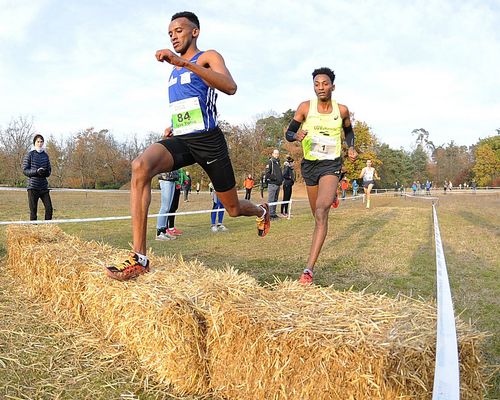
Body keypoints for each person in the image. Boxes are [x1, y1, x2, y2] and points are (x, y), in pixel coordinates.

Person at [106, 11, 270, 281]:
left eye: (179, 30)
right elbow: (187, 103)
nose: (173, 36)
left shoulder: (207, 57)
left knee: (232, 209)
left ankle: (261, 210)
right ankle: (140, 257)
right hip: (182, 139)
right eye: (170, 33)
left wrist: (186, 63)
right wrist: (173, 124)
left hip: (209, 141)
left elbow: (230, 87)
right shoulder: (174, 70)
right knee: (140, 166)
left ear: (195, 32)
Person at [285, 67, 357, 285]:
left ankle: (308, 269)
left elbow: (349, 132)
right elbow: (289, 133)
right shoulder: (305, 108)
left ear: (332, 86)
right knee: (316, 216)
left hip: (331, 164)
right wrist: (296, 135)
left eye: (324, 84)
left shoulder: (341, 110)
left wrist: (351, 148)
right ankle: (329, 197)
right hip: (310, 166)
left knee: (321, 210)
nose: (320, 88)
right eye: (317, 84)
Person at [22, 134, 53, 221]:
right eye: (38, 142)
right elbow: (25, 170)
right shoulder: (30, 155)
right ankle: (34, 230)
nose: (40, 143)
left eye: (41, 141)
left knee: (49, 209)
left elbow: (49, 171)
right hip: (33, 187)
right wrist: (36, 171)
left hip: (43, 187)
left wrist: (45, 172)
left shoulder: (45, 155)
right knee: (33, 211)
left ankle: (47, 228)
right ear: (34, 143)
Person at [265, 149, 283, 219]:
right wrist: (274, 178)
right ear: (272, 154)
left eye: (278, 154)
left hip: (278, 184)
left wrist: (281, 179)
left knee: (275, 199)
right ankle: (269, 215)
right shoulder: (270, 162)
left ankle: (273, 213)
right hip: (272, 184)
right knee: (271, 199)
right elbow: (267, 173)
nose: (277, 155)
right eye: (275, 154)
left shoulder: (278, 162)